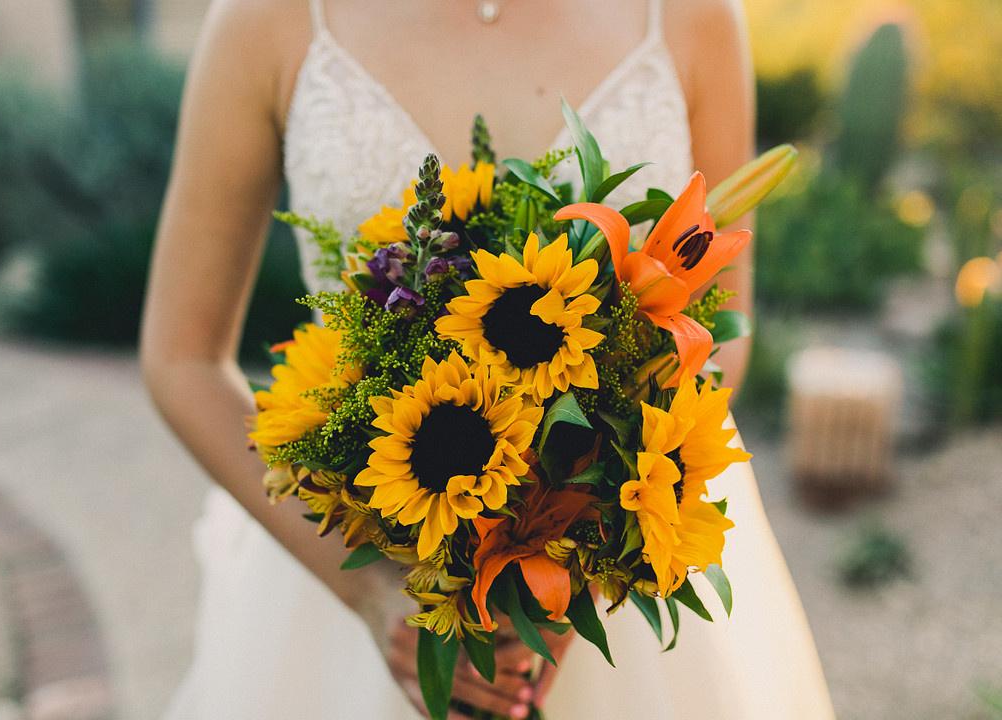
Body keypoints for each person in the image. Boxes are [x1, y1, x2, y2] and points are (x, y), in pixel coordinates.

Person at [141, 0, 835, 717]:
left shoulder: (694, 16)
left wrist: (583, 566)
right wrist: (371, 591)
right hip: (360, 589)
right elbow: (182, 357)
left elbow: (719, 328)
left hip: (621, 569)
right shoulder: (266, 20)